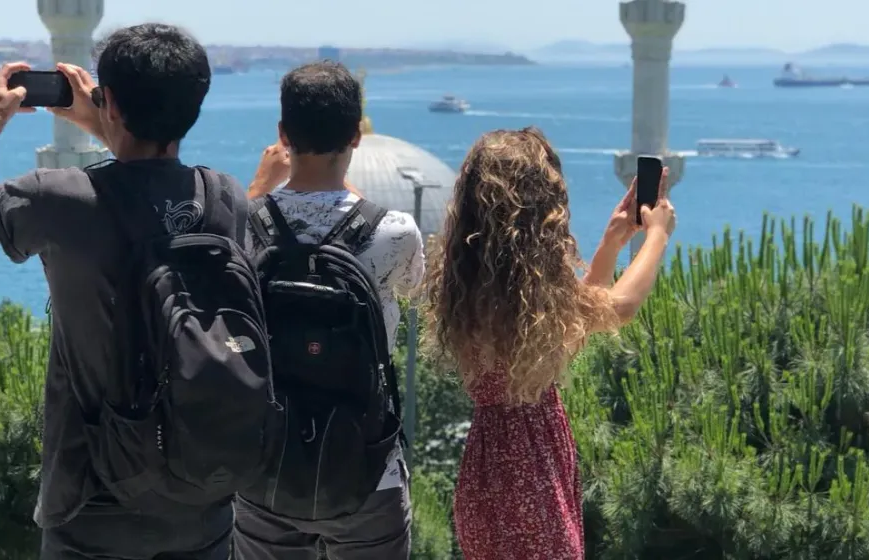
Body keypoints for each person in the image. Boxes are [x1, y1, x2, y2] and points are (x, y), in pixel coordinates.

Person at [0, 24, 245, 559]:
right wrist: (108, 121)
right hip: (202, 490)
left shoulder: (62, 199)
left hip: (92, 497)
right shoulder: (225, 199)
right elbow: (149, 180)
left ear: (111, 102)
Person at [423, 127, 677, 559]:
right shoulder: (522, 294)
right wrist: (657, 236)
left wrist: (612, 242)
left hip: (487, 468)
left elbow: (568, 329)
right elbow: (620, 307)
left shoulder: (475, 285)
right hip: (530, 472)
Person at [233, 61, 423, 560]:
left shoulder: (242, 225)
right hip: (366, 468)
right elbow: (411, 288)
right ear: (356, 135)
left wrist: (259, 190)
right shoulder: (396, 232)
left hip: (265, 462)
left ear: (283, 135)